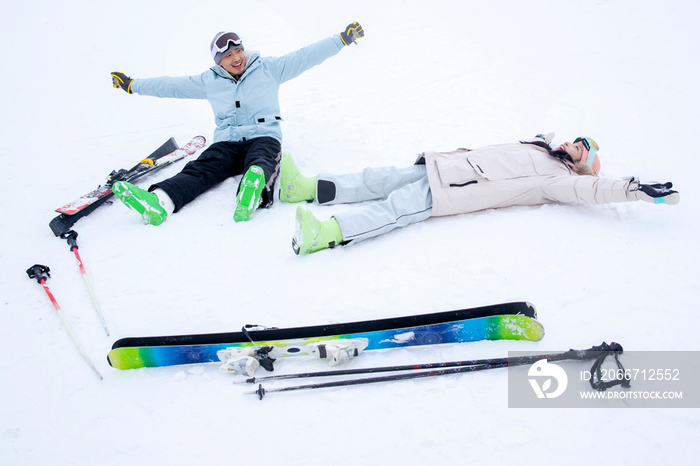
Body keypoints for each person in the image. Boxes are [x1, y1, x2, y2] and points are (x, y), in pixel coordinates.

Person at [109, 22, 364, 225]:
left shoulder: (268, 68)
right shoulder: (208, 81)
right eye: (229, 55)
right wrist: (133, 85)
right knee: (200, 169)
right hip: (227, 143)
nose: (236, 57)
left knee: (262, 160)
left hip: (264, 135)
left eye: (238, 51)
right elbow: (170, 85)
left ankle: (250, 194)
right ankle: (159, 202)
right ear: (218, 61)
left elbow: (305, 56)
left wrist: (341, 39)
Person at [278, 133, 680, 255]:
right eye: (574, 142)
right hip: (444, 166)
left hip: (456, 190)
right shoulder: (540, 148)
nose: (571, 147)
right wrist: (539, 140)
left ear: (578, 164)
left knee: (394, 208)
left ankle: (325, 233)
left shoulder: (558, 180)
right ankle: (307, 188)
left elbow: (591, 190)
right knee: (378, 177)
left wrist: (632, 189)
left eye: (579, 151)